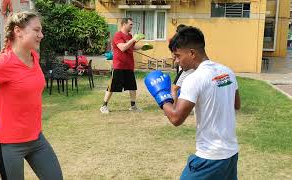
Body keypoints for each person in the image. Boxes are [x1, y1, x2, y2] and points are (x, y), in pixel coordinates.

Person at [0, 11, 63, 179]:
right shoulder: (2, 63)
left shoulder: (34, 56)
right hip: (9, 145)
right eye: (36, 30)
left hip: (36, 139)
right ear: (18, 31)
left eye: (41, 30)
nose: (41, 35)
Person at [144, 26, 241, 180]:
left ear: (192, 53)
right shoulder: (227, 71)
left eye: (177, 56)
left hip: (209, 157)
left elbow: (176, 119)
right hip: (230, 154)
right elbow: (236, 105)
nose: (176, 61)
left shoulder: (194, 79)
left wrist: (163, 97)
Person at [100, 18, 145, 114]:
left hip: (129, 66)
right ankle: (104, 106)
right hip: (119, 66)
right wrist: (133, 39)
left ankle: (133, 106)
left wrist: (143, 46)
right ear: (124, 24)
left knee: (132, 87)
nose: (132, 26)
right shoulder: (117, 35)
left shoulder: (129, 35)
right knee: (112, 87)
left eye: (132, 24)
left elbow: (132, 47)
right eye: (130, 24)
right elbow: (123, 48)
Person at [170, 24, 194, 104]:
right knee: (189, 86)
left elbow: (175, 56)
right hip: (195, 66)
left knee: (174, 88)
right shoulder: (191, 41)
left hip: (186, 68)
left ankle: (174, 107)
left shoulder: (179, 43)